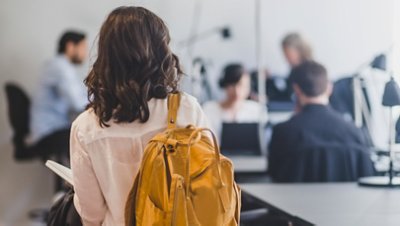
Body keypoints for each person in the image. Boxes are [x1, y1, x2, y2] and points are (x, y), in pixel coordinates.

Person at [70, 6, 209, 226]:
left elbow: (92, 215)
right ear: (160, 51)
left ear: (107, 57)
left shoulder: (86, 127)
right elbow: (207, 185)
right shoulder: (187, 109)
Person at [268, 61, 373, 182]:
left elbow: (274, 176)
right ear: (329, 88)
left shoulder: (283, 132)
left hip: (296, 201)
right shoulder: (356, 133)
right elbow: (367, 178)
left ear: (296, 90)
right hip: (346, 201)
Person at [30, 30, 87, 157]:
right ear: (71, 46)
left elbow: (80, 96)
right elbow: (78, 103)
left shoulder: (60, 66)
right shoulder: (60, 67)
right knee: (91, 137)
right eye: (83, 47)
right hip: (49, 132)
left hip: (53, 129)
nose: (85, 53)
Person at [203, 64, 267, 139]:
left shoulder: (258, 110)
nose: (237, 91)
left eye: (241, 85)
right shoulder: (208, 109)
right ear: (224, 85)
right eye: (232, 85)